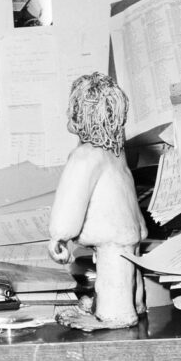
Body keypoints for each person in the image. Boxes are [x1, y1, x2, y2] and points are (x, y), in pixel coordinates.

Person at [47, 72, 148, 330]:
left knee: (115, 280)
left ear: (78, 112)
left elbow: (70, 203)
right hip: (129, 234)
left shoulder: (85, 156)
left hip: (113, 238)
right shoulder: (116, 154)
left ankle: (116, 316)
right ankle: (135, 304)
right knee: (128, 277)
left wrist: (59, 235)